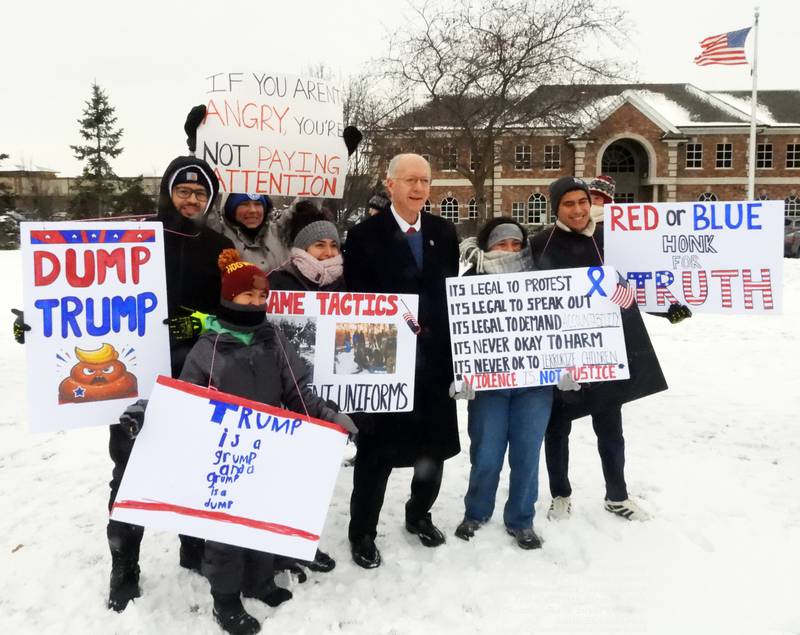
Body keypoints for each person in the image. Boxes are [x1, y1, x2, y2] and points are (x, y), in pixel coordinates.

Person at [121, 248, 356, 635]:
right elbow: (182, 399)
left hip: (266, 450)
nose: (257, 302)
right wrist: (147, 411)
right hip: (223, 456)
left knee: (263, 519)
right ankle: (225, 600)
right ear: (230, 297)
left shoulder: (273, 339)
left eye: (262, 296)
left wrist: (329, 416)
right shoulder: (209, 348)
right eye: (248, 296)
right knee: (226, 533)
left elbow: (298, 391)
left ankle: (260, 582)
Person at [106, 155, 235, 611]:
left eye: (201, 193)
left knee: (195, 465)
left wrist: (200, 322)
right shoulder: (134, 238)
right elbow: (85, 293)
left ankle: (193, 546)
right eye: (184, 191)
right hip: (135, 375)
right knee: (129, 471)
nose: (192, 200)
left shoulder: (221, 246)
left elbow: (235, 309)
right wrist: (44, 330)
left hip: (196, 372)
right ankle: (125, 566)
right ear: (168, 192)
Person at [530, 176, 691, 522]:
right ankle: (560, 493)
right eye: (568, 203)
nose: (577, 209)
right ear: (556, 207)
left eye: (582, 201)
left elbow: (639, 280)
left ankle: (617, 495)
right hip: (561, 353)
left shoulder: (612, 240)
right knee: (556, 428)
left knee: (610, 426)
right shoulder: (541, 244)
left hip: (607, 351)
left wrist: (668, 306)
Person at [343, 153, 460, 568]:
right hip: (383, 362)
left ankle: (418, 515)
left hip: (434, 363)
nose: (419, 188)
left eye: (425, 181)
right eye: (410, 180)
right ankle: (362, 532)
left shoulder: (445, 232)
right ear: (389, 184)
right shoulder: (363, 236)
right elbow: (354, 302)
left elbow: (450, 296)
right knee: (376, 455)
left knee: (433, 450)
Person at [454, 218, 553, 549]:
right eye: (501, 244)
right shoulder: (471, 281)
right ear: (487, 247)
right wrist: (460, 373)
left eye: (516, 244)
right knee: (486, 454)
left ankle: (522, 519)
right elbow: (458, 334)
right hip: (488, 386)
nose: (510, 250)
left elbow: (562, 326)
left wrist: (568, 366)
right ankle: (476, 511)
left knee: (527, 454)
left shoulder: (543, 278)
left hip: (534, 385)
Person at [268, 201, 345, 292]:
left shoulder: (342, 281)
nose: (329, 252)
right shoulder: (277, 282)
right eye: (320, 245)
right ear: (302, 249)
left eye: (333, 245)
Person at [208, 192, 290, 272]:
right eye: (244, 204)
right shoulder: (218, 234)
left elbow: (297, 207)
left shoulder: (278, 232)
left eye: (258, 204)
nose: (253, 210)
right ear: (231, 210)